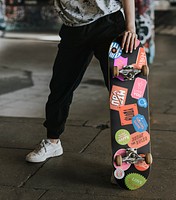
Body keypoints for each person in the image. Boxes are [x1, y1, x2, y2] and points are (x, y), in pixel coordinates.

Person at [26, 0, 137, 163]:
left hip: (108, 22)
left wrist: (130, 27)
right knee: (60, 85)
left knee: (120, 90)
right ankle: (52, 142)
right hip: (73, 27)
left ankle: (129, 152)